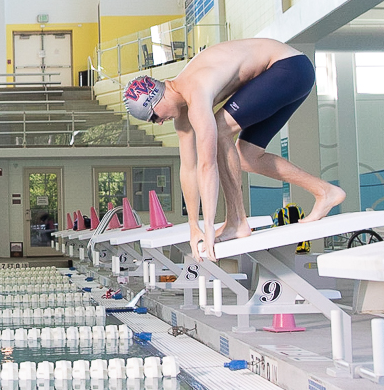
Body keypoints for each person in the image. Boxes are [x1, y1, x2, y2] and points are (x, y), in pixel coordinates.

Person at [122, 38, 345, 261]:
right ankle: (325, 192)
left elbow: (207, 164)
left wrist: (208, 225)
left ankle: (237, 221)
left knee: (220, 129)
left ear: (156, 98)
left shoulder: (195, 89)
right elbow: (188, 169)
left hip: (288, 67)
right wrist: (193, 226)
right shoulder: (182, 117)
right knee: (248, 157)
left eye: (154, 117)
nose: (158, 122)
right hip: (292, 74)